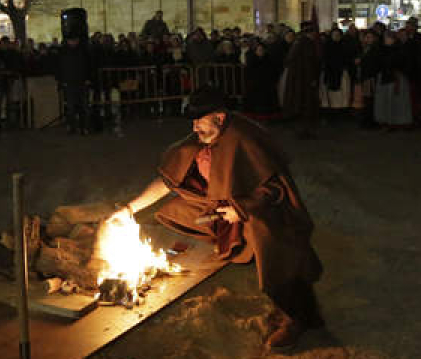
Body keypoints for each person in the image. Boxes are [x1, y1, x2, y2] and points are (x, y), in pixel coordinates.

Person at [108, 86, 324, 350]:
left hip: (267, 213)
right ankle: (292, 310)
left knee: (276, 260)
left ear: (219, 118)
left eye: (200, 120)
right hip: (227, 207)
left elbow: (274, 188)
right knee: (178, 207)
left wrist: (241, 209)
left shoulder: (245, 138)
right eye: (193, 121)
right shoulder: (202, 139)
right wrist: (130, 209)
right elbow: (168, 181)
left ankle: (295, 320)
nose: (194, 127)